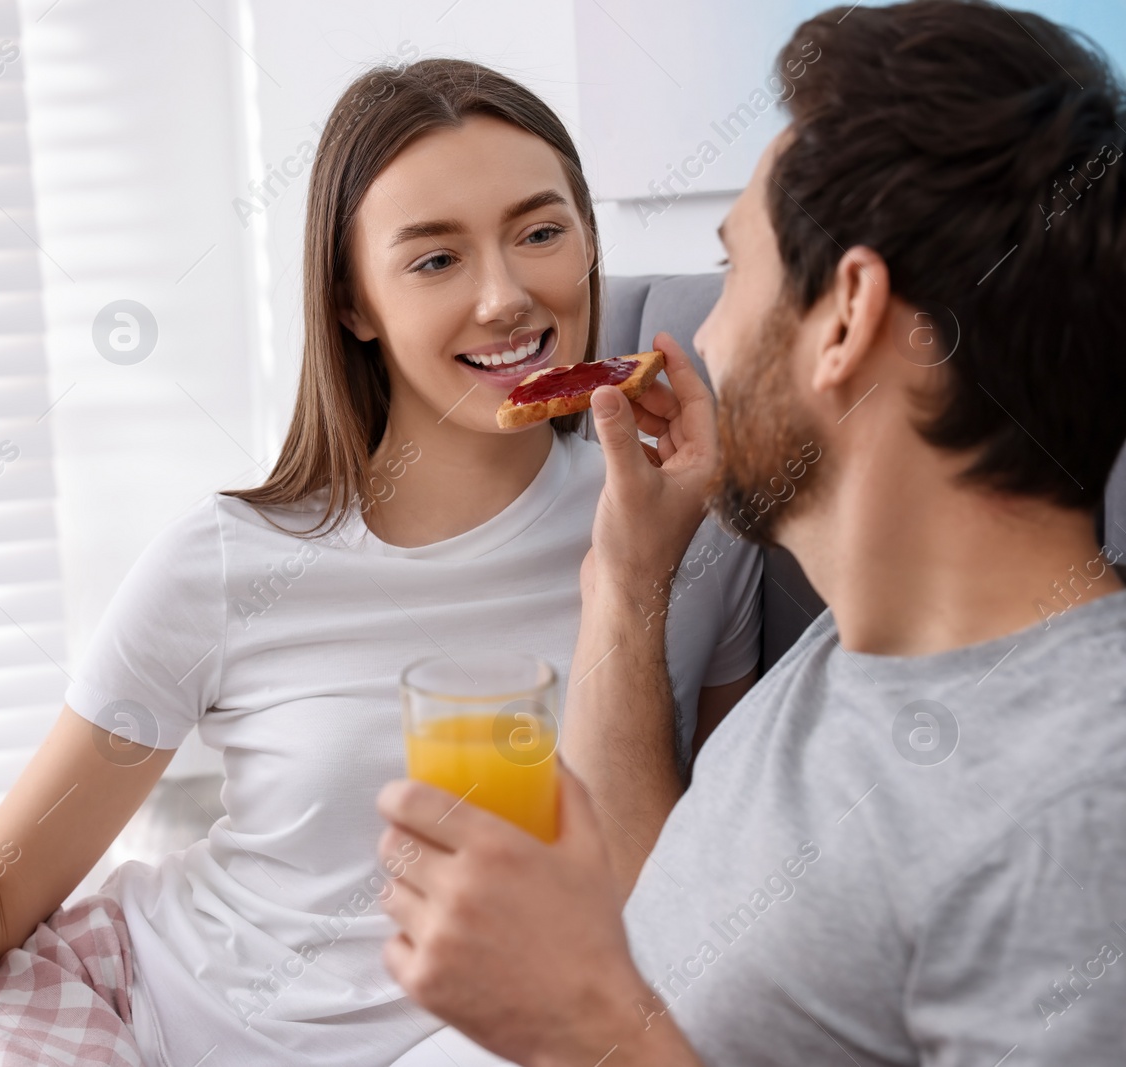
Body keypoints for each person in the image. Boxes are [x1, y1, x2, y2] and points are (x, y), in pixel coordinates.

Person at [0, 59, 763, 1066]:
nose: (504, 297)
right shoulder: (223, 564)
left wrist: (636, 576)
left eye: (539, 232)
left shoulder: (689, 519)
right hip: (149, 1018)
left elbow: (691, 904)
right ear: (353, 303)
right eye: (434, 260)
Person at [375, 2, 1126, 1064]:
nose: (693, 338)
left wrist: (578, 1024)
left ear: (848, 316)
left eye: (733, 275)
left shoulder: (1081, 796)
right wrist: (629, 578)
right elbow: (663, 938)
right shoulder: (852, 656)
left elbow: (618, 1015)